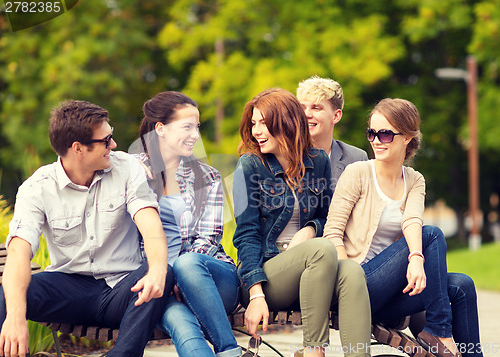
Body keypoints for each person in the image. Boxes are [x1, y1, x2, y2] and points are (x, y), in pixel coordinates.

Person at [0, 100, 173, 357]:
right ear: (78, 148)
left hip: (123, 290)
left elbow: (150, 225)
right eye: (106, 140)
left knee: (161, 271)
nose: (113, 145)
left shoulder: (126, 168)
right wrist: (15, 317)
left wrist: (158, 269)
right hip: (70, 289)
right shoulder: (37, 188)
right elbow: (18, 253)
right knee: (8, 296)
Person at [323, 98, 482, 357]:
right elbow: (332, 233)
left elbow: (412, 220)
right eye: (371, 133)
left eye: (385, 134)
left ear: (407, 137)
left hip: (392, 296)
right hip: (357, 285)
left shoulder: (414, 179)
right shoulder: (358, 173)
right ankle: (439, 331)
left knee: (462, 285)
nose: (375, 140)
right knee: (431, 234)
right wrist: (347, 281)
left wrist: (416, 260)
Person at [232, 88, 371, 357]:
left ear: (286, 123)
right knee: (323, 249)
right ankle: (313, 351)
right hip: (269, 275)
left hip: (314, 272)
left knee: (352, 273)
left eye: (263, 123)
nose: (257, 131)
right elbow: (246, 235)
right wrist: (256, 294)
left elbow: (326, 216)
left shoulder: (318, 161)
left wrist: (309, 229)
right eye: (253, 124)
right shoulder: (249, 166)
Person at [134, 91, 241, 357]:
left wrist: (176, 275)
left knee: (187, 263)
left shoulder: (207, 177)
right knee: (182, 324)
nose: (195, 134)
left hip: (212, 280)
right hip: (159, 286)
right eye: (187, 127)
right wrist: (127, 162)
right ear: (160, 129)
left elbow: (209, 237)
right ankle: (231, 353)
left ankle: (228, 348)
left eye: (197, 127)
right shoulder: (131, 172)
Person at [296, 76, 368, 191]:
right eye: (302, 108)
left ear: (336, 116)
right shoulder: (284, 156)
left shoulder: (356, 159)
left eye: (316, 108)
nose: (307, 114)